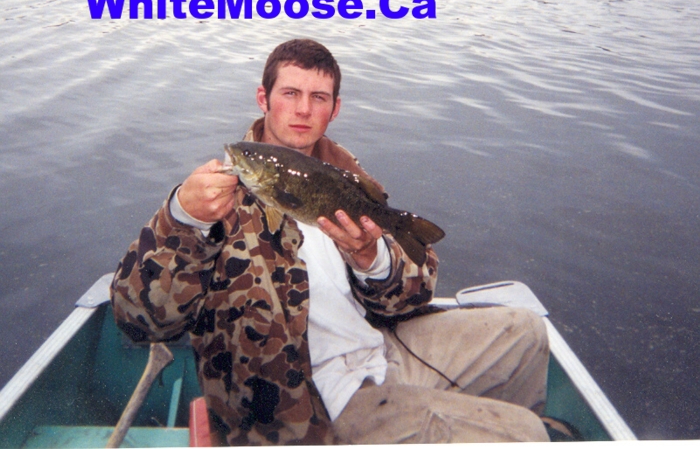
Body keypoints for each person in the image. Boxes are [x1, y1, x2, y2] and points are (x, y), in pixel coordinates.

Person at [111, 38, 551, 444]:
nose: (303, 110)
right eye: (290, 93)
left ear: (335, 108)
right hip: (315, 404)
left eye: (318, 98)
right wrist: (184, 220)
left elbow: (414, 295)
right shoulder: (212, 201)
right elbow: (139, 321)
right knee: (525, 434)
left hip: (379, 350)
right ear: (263, 99)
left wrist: (372, 260)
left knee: (527, 332)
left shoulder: (344, 175)